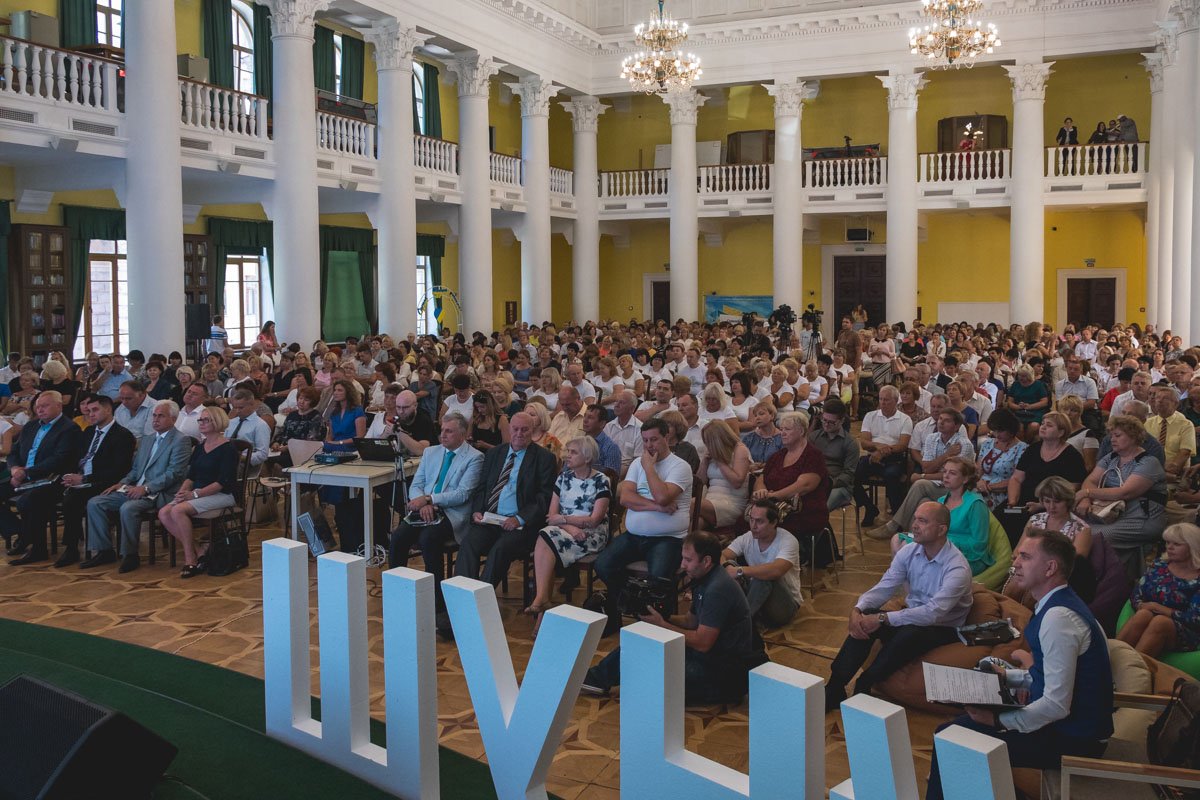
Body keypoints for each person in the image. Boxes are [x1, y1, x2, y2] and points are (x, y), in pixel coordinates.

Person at [925, 530, 1114, 800]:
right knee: (959, 726)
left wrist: (999, 720)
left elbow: (1057, 705)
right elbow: (1051, 675)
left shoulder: (1058, 618)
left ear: (1050, 568)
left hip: (1076, 739)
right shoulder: (1054, 605)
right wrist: (1011, 678)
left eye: (1025, 557)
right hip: (1066, 726)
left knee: (951, 738)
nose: (1015, 563)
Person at [826, 501, 972, 713]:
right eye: (915, 519)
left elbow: (933, 613)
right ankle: (835, 686)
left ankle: (865, 682)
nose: (914, 525)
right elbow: (885, 587)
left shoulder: (957, 567)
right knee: (868, 616)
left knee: (910, 631)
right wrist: (858, 609)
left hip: (944, 628)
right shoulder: (910, 551)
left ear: (942, 529)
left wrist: (884, 619)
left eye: (922, 521)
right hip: (912, 617)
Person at [583, 531, 758, 705]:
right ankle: (595, 679)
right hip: (710, 659)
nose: (682, 565)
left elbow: (703, 643)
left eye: (688, 560)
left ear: (706, 561)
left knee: (649, 677)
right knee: (643, 644)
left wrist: (662, 624)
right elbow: (691, 621)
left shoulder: (717, 589)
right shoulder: (705, 578)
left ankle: (594, 679)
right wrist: (660, 618)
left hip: (721, 673)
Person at [595, 418, 693, 635]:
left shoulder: (680, 467)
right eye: (645, 440)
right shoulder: (637, 463)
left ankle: (659, 629)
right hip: (634, 535)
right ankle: (631, 606)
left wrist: (649, 468)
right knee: (603, 564)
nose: (649, 446)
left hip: (668, 538)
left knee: (659, 579)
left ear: (667, 437)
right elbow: (626, 498)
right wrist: (658, 508)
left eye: (654, 440)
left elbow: (663, 495)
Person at [388, 412, 484, 613]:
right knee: (398, 537)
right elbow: (417, 485)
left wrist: (430, 499)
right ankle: (398, 592)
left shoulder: (475, 458)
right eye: (442, 430)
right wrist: (424, 503)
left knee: (428, 538)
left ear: (463, 434)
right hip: (425, 509)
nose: (443, 435)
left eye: (449, 431)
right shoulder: (431, 452)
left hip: (453, 513)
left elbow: (463, 494)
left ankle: (437, 600)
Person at [84, 400, 193, 573]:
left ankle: (130, 554)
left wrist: (146, 488)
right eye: (154, 415)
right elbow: (136, 470)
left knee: (128, 508)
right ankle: (104, 550)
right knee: (95, 502)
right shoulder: (148, 439)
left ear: (173, 418)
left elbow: (174, 473)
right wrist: (122, 483)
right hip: (136, 488)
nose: (155, 420)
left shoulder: (181, 440)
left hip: (159, 492)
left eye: (161, 416)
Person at [453, 412, 557, 589]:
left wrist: (519, 518)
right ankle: (463, 595)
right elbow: (482, 487)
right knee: (469, 543)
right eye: (515, 429)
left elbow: (544, 497)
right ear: (509, 429)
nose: (519, 434)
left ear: (532, 431)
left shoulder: (544, 458)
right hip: (490, 519)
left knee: (501, 549)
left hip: (521, 525)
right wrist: (477, 511)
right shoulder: (495, 453)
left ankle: (482, 599)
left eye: (524, 430)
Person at [525, 436, 612, 622]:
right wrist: (570, 527)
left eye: (573, 452)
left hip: (592, 535)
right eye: (567, 451)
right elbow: (551, 516)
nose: (567, 456)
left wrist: (563, 520)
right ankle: (542, 601)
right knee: (546, 537)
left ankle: (541, 606)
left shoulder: (601, 480)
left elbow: (595, 520)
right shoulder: (563, 478)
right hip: (565, 532)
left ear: (587, 457)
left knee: (545, 540)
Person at [1076, 414, 1168, 580]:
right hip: (1108, 514)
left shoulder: (1148, 462)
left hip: (1140, 518)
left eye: (1117, 435)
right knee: (1071, 526)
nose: (1112, 439)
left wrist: (1086, 493)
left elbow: (1125, 492)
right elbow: (1090, 480)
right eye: (1111, 435)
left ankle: (1091, 581)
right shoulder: (1110, 457)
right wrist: (1084, 499)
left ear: (1133, 437)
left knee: (1091, 534)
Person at [53, 394, 136, 567]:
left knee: (72, 500)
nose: (91, 414)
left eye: (95, 410)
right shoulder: (89, 432)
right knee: (55, 491)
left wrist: (84, 478)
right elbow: (79, 457)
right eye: (89, 411)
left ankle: (73, 549)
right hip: (83, 480)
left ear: (108, 409)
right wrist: (71, 475)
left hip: (105, 483)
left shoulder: (123, 435)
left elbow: (118, 471)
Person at [158, 406, 240, 578]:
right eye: (200, 420)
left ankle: (190, 559)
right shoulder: (202, 446)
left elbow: (222, 482)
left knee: (178, 510)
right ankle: (199, 550)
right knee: (164, 513)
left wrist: (194, 495)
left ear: (217, 422)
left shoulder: (228, 448)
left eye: (206, 420)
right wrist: (182, 492)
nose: (201, 423)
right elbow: (191, 475)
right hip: (198, 492)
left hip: (222, 495)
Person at [4, 391, 84, 565]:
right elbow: (14, 452)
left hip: (52, 479)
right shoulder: (31, 426)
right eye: (38, 406)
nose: (40, 410)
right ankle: (22, 533)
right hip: (23, 475)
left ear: (59, 406)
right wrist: (15, 469)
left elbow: (60, 459)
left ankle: (38, 549)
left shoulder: (69, 428)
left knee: (28, 501)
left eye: (45, 406)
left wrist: (27, 472)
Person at [891, 457, 991, 575]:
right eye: (944, 471)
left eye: (952, 473)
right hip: (938, 546)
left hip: (967, 556)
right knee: (898, 540)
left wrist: (944, 543)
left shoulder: (975, 504)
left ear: (965, 479)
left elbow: (979, 544)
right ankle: (912, 582)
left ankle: (916, 583)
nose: (946, 476)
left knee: (909, 549)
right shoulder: (942, 500)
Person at [752, 411, 831, 559]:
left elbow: (803, 486)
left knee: (769, 524)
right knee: (747, 521)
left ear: (801, 431)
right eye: (781, 429)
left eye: (787, 429)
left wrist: (773, 496)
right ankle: (753, 561)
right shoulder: (778, 456)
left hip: (802, 511)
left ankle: (775, 564)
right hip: (774, 506)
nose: (782, 433)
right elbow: (762, 477)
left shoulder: (813, 455)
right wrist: (761, 491)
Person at [1117, 522, 1200, 657]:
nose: (1169, 548)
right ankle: (1108, 660)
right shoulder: (1158, 565)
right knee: (1143, 614)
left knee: (1160, 622)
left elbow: (1195, 619)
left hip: (1185, 630)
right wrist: (1142, 605)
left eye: (1176, 544)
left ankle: (1131, 668)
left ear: (1193, 547)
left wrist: (1159, 609)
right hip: (1149, 618)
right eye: (1168, 543)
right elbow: (1136, 595)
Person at [722, 500, 804, 627]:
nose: (753, 526)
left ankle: (741, 623)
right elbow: (722, 555)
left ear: (774, 523)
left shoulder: (788, 541)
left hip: (785, 605)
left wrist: (739, 571)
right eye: (751, 520)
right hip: (757, 596)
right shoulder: (748, 537)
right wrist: (728, 567)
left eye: (759, 521)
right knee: (729, 564)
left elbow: (776, 571)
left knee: (764, 577)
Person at [854, 385, 913, 526]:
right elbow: (864, 442)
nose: (882, 403)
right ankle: (869, 508)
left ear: (895, 401)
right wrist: (878, 448)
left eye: (886, 400)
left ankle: (897, 517)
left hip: (894, 459)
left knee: (892, 476)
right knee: (852, 475)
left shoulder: (905, 419)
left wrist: (881, 450)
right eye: (880, 399)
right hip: (872, 456)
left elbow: (903, 445)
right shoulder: (870, 416)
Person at [697, 420, 752, 531]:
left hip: (731, 503)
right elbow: (699, 482)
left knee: (691, 504)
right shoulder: (712, 452)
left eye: (708, 442)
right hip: (710, 500)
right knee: (697, 523)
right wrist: (705, 461)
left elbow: (737, 482)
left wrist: (719, 460)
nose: (707, 445)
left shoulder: (740, 449)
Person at [810, 398, 860, 511]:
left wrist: (827, 484)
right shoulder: (814, 437)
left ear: (842, 421)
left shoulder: (850, 443)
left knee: (820, 509)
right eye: (824, 420)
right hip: (815, 482)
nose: (826, 425)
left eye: (831, 422)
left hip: (839, 487)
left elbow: (848, 474)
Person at [1146, 385, 1195, 483]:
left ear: (1176, 404)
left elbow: (1185, 453)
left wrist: (1171, 468)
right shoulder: (1148, 423)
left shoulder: (1186, 424)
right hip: (1150, 472)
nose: (1160, 401)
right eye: (1158, 398)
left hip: (1176, 474)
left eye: (1165, 398)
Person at [604, 390, 643, 474]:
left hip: (629, 470)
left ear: (632, 409)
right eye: (616, 401)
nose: (616, 405)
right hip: (607, 466)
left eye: (622, 402)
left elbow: (638, 460)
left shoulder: (640, 429)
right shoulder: (608, 426)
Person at [581, 404, 621, 475]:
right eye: (585, 416)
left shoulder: (611, 448)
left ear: (602, 423)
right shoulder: (578, 442)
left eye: (590, 418)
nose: (585, 420)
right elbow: (566, 469)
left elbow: (610, 479)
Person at [740, 399, 783, 465]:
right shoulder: (749, 439)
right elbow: (741, 461)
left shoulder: (783, 438)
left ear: (772, 416)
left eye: (761, 414)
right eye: (755, 415)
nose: (757, 418)